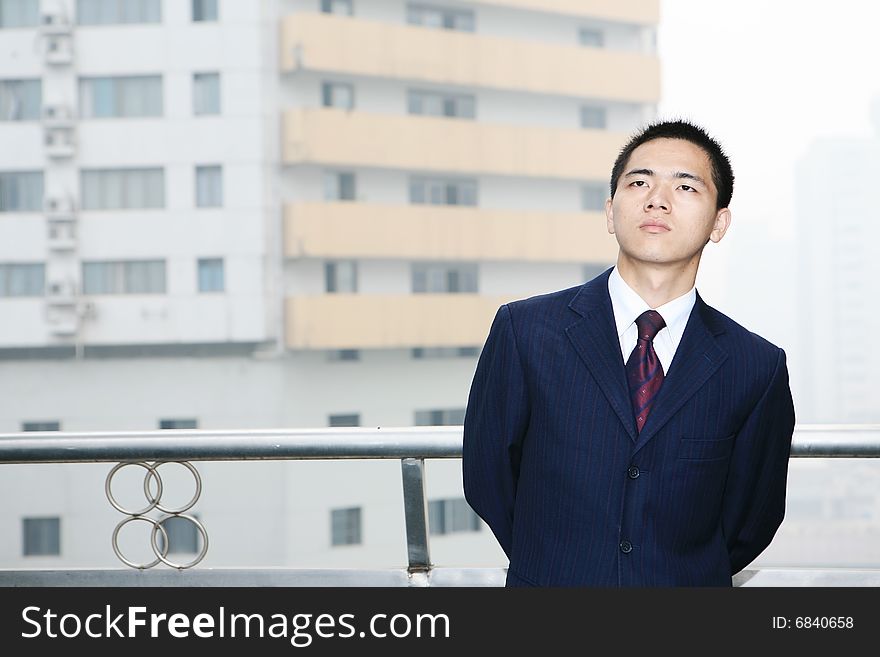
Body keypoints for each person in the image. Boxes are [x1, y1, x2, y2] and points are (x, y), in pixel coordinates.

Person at [462, 119, 796, 587]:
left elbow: (750, 519)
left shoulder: (755, 366)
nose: (656, 198)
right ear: (610, 211)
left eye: (685, 186)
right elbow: (487, 476)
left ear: (719, 222)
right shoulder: (526, 331)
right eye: (638, 182)